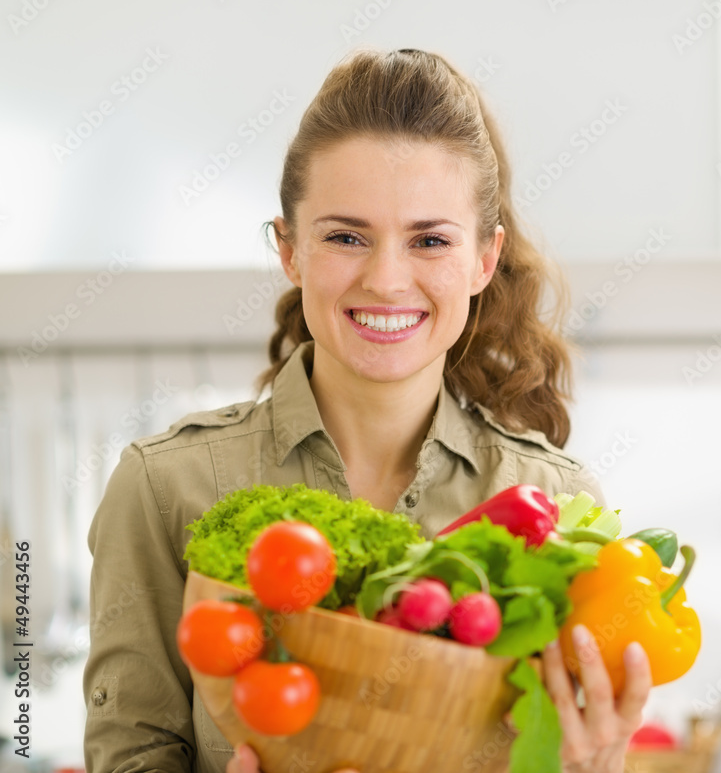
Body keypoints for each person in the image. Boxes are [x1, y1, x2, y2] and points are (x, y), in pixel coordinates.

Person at [83, 47, 652, 773]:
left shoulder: (562, 508)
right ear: (289, 250)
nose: (386, 279)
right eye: (346, 236)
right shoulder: (164, 488)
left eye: (430, 240)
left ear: (484, 258)